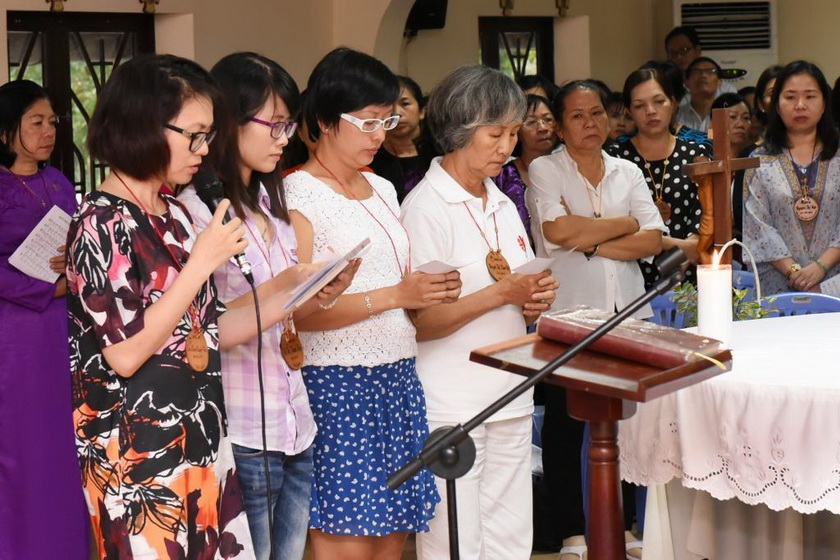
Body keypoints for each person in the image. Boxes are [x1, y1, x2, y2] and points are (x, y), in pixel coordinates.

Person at [67, 54, 316, 558]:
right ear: (144, 125)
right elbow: (125, 354)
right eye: (195, 135)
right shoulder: (98, 222)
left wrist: (293, 293)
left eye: (209, 135)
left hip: (203, 437)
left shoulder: (175, 212)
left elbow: (208, 328)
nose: (205, 149)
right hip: (138, 458)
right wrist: (201, 263)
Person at [285, 47, 461, 560]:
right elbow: (295, 313)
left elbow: (394, 280)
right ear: (324, 120)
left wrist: (422, 292)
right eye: (366, 122)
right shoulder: (298, 195)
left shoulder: (382, 187)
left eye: (385, 120)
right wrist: (395, 296)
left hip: (398, 377)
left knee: (393, 533)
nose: (379, 134)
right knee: (347, 537)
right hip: (337, 383)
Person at [177, 52, 355, 560]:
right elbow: (200, 327)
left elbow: (283, 311)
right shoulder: (195, 213)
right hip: (242, 424)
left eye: (289, 126)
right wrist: (286, 288)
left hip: (294, 420)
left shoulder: (269, 208)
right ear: (230, 121)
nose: (284, 138)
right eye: (274, 125)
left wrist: (318, 289)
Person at [401, 64, 558, 560]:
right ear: (459, 129)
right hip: (452, 403)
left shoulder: (502, 201)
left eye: (513, 133)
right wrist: (502, 293)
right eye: (495, 134)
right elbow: (422, 323)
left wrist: (533, 299)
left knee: (511, 537)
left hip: (510, 391)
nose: (507, 146)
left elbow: (514, 291)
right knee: (455, 540)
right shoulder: (425, 207)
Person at [526, 80, 664, 559]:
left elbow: (652, 239)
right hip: (569, 314)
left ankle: (622, 525)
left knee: (625, 422)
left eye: (598, 113)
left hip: (627, 312)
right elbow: (558, 231)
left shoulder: (628, 170)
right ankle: (571, 532)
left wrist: (590, 240)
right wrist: (624, 224)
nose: (591, 123)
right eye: (578, 115)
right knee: (566, 426)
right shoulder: (545, 169)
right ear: (561, 127)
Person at [0, 79, 89, 559]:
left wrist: (74, 263)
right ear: (5, 129)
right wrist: (49, 287)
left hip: (66, 327)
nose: (48, 131)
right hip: (16, 336)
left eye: (52, 121)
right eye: (35, 122)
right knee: (23, 446)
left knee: (65, 443)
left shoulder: (58, 182)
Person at [743, 60, 840, 295]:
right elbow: (758, 227)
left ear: (824, 103)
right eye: (790, 97)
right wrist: (795, 272)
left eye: (810, 96)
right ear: (776, 106)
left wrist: (819, 268)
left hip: (835, 281)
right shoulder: (758, 160)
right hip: (779, 283)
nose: (800, 105)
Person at [608, 66, 710, 288]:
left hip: (690, 272)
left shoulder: (695, 154)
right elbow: (614, 224)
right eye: (639, 106)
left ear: (673, 103)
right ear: (629, 111)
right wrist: (675, 246)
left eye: (659, 101)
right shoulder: (614, 158)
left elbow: (706, 212)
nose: (651, 111)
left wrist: (693, 245)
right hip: (630, 273)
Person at [492, 93, 559, 239]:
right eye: (531, 122)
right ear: (516, 131)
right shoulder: (503, 176)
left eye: (548, 120)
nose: (542, 128)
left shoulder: (568, 169)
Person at [370, 75, 438, 202]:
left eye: (405, 104)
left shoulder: (440, 151)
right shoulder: (371, 155)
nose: (396, 113)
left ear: (422, 111)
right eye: (389, 106)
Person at [664, 25, 736, 96]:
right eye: (673, 53)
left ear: (697, 50)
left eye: (684, 50)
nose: (679, 56)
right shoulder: (665, 88)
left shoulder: (724, 90)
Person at [676, 56, 725, 133]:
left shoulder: (728, 115)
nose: (703, 75)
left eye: (710, 71)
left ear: (719, 82)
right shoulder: (677, 115)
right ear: (687, 82)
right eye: (696, 72)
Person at [712, 92, 752, 158]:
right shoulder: (704, 157)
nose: (740, 124)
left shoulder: (758, 156)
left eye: (746, 118)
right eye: (733, 117)